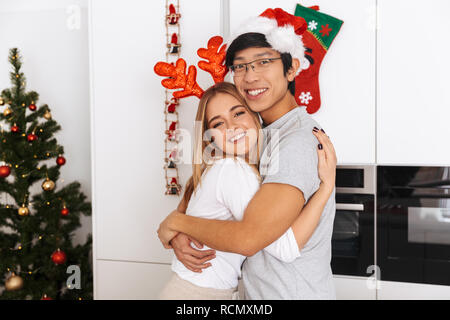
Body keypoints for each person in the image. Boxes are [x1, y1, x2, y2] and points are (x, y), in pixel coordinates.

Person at [158, 8, 337, 299]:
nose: (250, 76)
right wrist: (182, 232)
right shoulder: (255, 135)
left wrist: (174, 224)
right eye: (240, 66)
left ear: (291, 69)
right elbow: (206, 192)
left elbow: (249, 238)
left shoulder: (296, 142)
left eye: (263, 62)